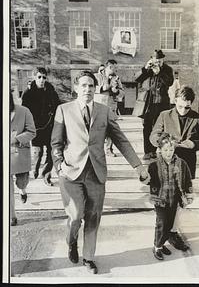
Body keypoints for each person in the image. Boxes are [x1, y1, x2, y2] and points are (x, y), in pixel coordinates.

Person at [51, 70, 149, 274]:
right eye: (84, 85)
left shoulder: (104, 111)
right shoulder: (64, 110)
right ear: (76, 88)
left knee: (93, 216)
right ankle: (71, 240)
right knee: (76, 215)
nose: (87, 89)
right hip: (70, 172)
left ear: (95, 89)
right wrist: (59, 164)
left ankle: (89, 257)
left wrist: (138, 166)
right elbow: (56, 143)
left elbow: (121, 140)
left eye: (91, 86)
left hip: (96, 172)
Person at [149, 86, 199, 251]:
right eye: (180, 106)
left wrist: (194, 144)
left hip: (186, 165)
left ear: (192, 104)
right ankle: (162, 233)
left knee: (182, 201)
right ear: (175, 101)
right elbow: (153, 136)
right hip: (165, 164)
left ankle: (173, 232)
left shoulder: (198, 118)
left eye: (187, 107)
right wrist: (165, 141)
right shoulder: (164, 115)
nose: (183, 110)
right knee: (164, 201)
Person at [143, 133, 193, 260]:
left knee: (169, 224)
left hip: (174, 200)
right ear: (160, 150)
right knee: (162, 223)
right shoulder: (154, 165)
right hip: (160, 200)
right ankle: (157, 246)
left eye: (171, 149)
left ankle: (162, 243)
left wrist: (188, 194)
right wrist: (143, 176)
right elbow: (147, 180)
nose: (169, 152)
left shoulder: (181, 164)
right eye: (165, 150)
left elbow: (187, 180)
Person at [22, 67, 60, 186]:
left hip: (49, 127)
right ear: (34, 78)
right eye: (39, 77)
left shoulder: (51, 91)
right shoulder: (28, 93)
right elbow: (24, 112)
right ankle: (36, 168)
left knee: (51, 153)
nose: (42, 80)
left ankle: (46, 175)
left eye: (44, 77)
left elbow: (58, 106)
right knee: (38, 154)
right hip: (36, 129)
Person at [135, 49, 174, 160]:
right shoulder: (147, 68)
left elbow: (170, 82)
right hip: (148, 104)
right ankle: (148, 152)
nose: (157, 62)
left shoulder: (167, 69)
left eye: (160, 60)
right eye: (155, 59)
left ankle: (160, 150)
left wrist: (159, 72)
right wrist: (145, 68)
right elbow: (136, 79)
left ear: (163, 59)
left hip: (162, 103)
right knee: (147, 127)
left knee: (161, 128)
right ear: (152, 59)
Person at [10, 91, 36, 226]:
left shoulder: (24, 111)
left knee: (22, 182)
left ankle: (22, 190)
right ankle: (11, 216)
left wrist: (17, 139)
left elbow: (32, 131)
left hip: (20, 154)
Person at [95, 59, 125, 157]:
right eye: (115, 68)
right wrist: (102, 88)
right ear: (110, 67)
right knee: (98, 130)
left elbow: (122, 93)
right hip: (99, 107)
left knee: (111, 129)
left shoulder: (116, 78)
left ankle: (109, 150)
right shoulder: (97, 76)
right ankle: (97, 150)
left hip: (111, 107)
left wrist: (116, 91)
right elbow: (90, 88)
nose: (116, 70)